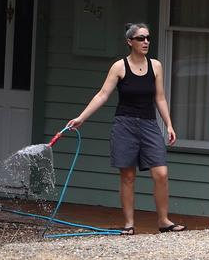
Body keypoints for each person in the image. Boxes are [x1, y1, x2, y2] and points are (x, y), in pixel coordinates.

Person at [67, 23, 186, 235]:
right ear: (130, 41)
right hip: (125, 124)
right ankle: (129, 224)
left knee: (161, 173)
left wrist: (168, 124)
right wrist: (81, 118)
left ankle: (164, 221)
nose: (146, 42)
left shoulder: (155, 66)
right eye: (141, 38)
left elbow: (159, 97)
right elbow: (102, 94)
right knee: (128, 176)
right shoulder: (119, 67)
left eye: (148, 38)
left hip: (149, 124)